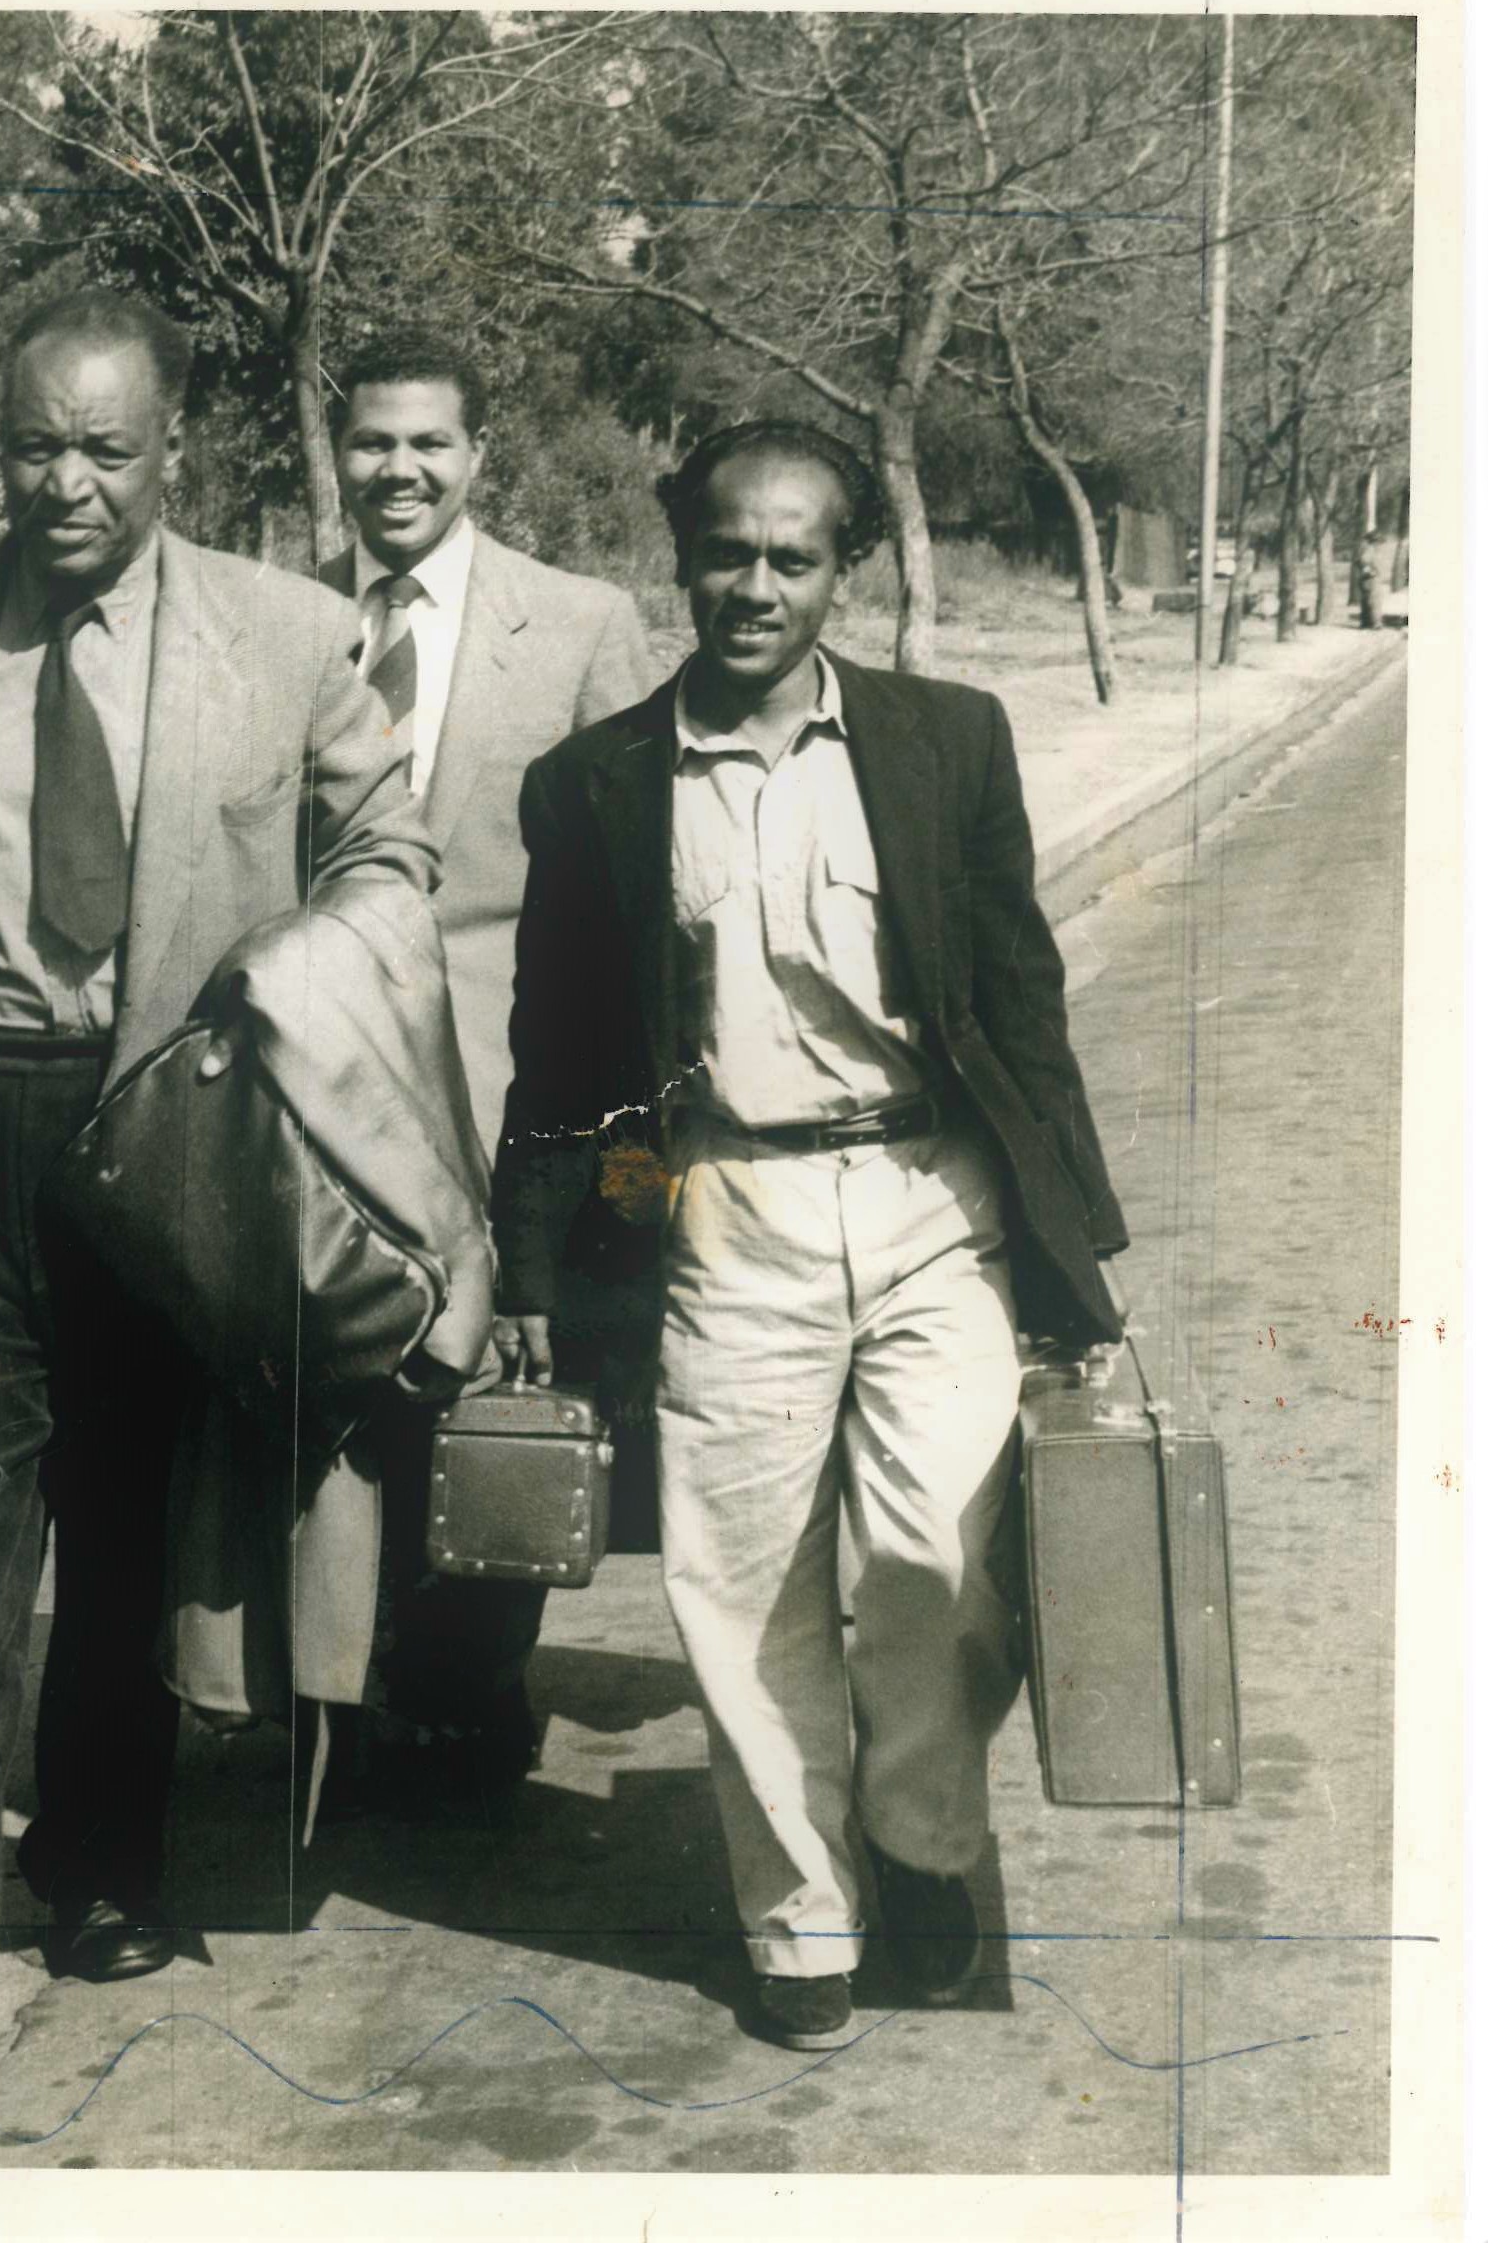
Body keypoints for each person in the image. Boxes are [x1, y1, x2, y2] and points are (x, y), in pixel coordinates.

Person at [0, 287, 436, 2147]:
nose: (64, 482)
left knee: (134, 1542)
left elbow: (392, 852)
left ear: (172, 453)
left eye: (104, 450)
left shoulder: (289, 636)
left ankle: (108, 1864)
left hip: (170, 1140)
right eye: (33, 446)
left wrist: (287, 981)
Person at [488, 422, 1130, 2051]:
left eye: (791, 557)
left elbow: (1019, 1007)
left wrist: (1073, 1263)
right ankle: (802, 1922)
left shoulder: (945, 744)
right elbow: (566, 1061)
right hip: (729, 1207)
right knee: (742, 1586)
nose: (753, 586)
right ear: (682, 557)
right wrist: (547, 1268)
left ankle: (920, 1847)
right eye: (726, 551)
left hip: (934, 1206)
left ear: (846, 570)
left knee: (932, 1572)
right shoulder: (596, 786)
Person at [311, 328, 655, 1815]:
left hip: (506, 1076)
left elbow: (636, 884)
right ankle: (342, 1676)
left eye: (428, 444)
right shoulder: (282, 618)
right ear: (340, 453)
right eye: (373, 443)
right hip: (320, 1073)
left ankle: (462, 1682)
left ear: (478, 457)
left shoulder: (578, 623)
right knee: (339, 1377)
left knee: (496, 1368)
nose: (398, 470)